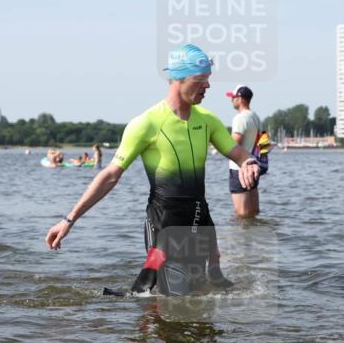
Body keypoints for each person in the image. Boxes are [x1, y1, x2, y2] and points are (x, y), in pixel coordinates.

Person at [45, 44, 260, 296]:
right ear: (179, 78)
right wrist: (69, 219)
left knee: (202, 294)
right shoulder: (146, 123)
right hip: (164, 221)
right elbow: (109, 175)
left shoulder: (207, 119)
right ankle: (142, 320)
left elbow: (238, 153)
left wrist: (249, 163)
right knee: (168, 298)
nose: (207, 86)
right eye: (200, 79)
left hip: (200, 217)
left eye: (208, 79)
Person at [226, 85, 263, 218]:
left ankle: (241, 238)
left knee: (241, 215)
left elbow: (233, 144)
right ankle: (253, 238)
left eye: (233, 97)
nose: (231, 100)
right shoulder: (256, 117)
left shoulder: (240, 118)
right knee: (253, 212)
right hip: (253, 167)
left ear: (240, 98)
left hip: (239, 169)